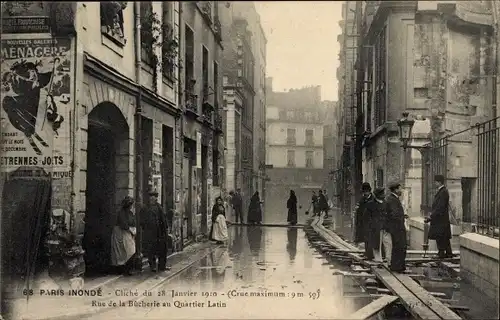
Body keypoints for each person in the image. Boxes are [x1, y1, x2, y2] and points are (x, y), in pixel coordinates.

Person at [140, 190, 169, 272]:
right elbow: (141, 220)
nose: (153, 199)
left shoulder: (159, 207)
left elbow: (163, 219)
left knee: (163, 249)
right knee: (151, 250)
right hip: (150, 233)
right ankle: (152, 266)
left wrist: (165, 228)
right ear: (149, 198)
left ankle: (162, 266)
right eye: (151, 197)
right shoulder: (145, 208)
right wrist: (146, 228)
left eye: (155, 197)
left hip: (160, 232)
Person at [425, 175, 452, 258]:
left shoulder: (443, 192)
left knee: (440, 236)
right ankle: (448, 253)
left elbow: (440, 207)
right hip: (441, 219)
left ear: (439, 182)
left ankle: (441, 254)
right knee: (444, 236)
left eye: (435, 182)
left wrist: (431, 216)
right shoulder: (442, 191)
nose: (434, 183)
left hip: (440, 219)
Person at [110, 196, 137, 275]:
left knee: (129, 251)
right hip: (120, 233)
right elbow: (123, 224)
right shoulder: (121, 212)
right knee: (121, 252)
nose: (132, 206)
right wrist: (131, 230)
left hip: (127, 233)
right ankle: (122, 270)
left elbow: (132, 221)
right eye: (131, 205)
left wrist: (133, 230)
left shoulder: (130, 213)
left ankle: (126, 269)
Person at [385, 182, 407, 272]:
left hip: (396, 227)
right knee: (400, 246)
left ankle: (397, 266)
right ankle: (397, 267)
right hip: (396, 227)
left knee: (398, 246)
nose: (401, 190)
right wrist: (401, 217)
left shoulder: (393, 199)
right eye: (400, 189)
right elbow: (394, 214)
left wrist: (402, 215)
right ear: (396, 189)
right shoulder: (392, 199)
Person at [363, 188, 384, 261]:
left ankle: (382, 257)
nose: (384, 195)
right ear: (378, 195)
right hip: (373, 228)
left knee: (382, 243)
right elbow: (366, 217)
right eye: (382, 194)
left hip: (383, 227)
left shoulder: (385, 203)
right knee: (373, 243)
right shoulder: (370, 204)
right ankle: (372, 256)